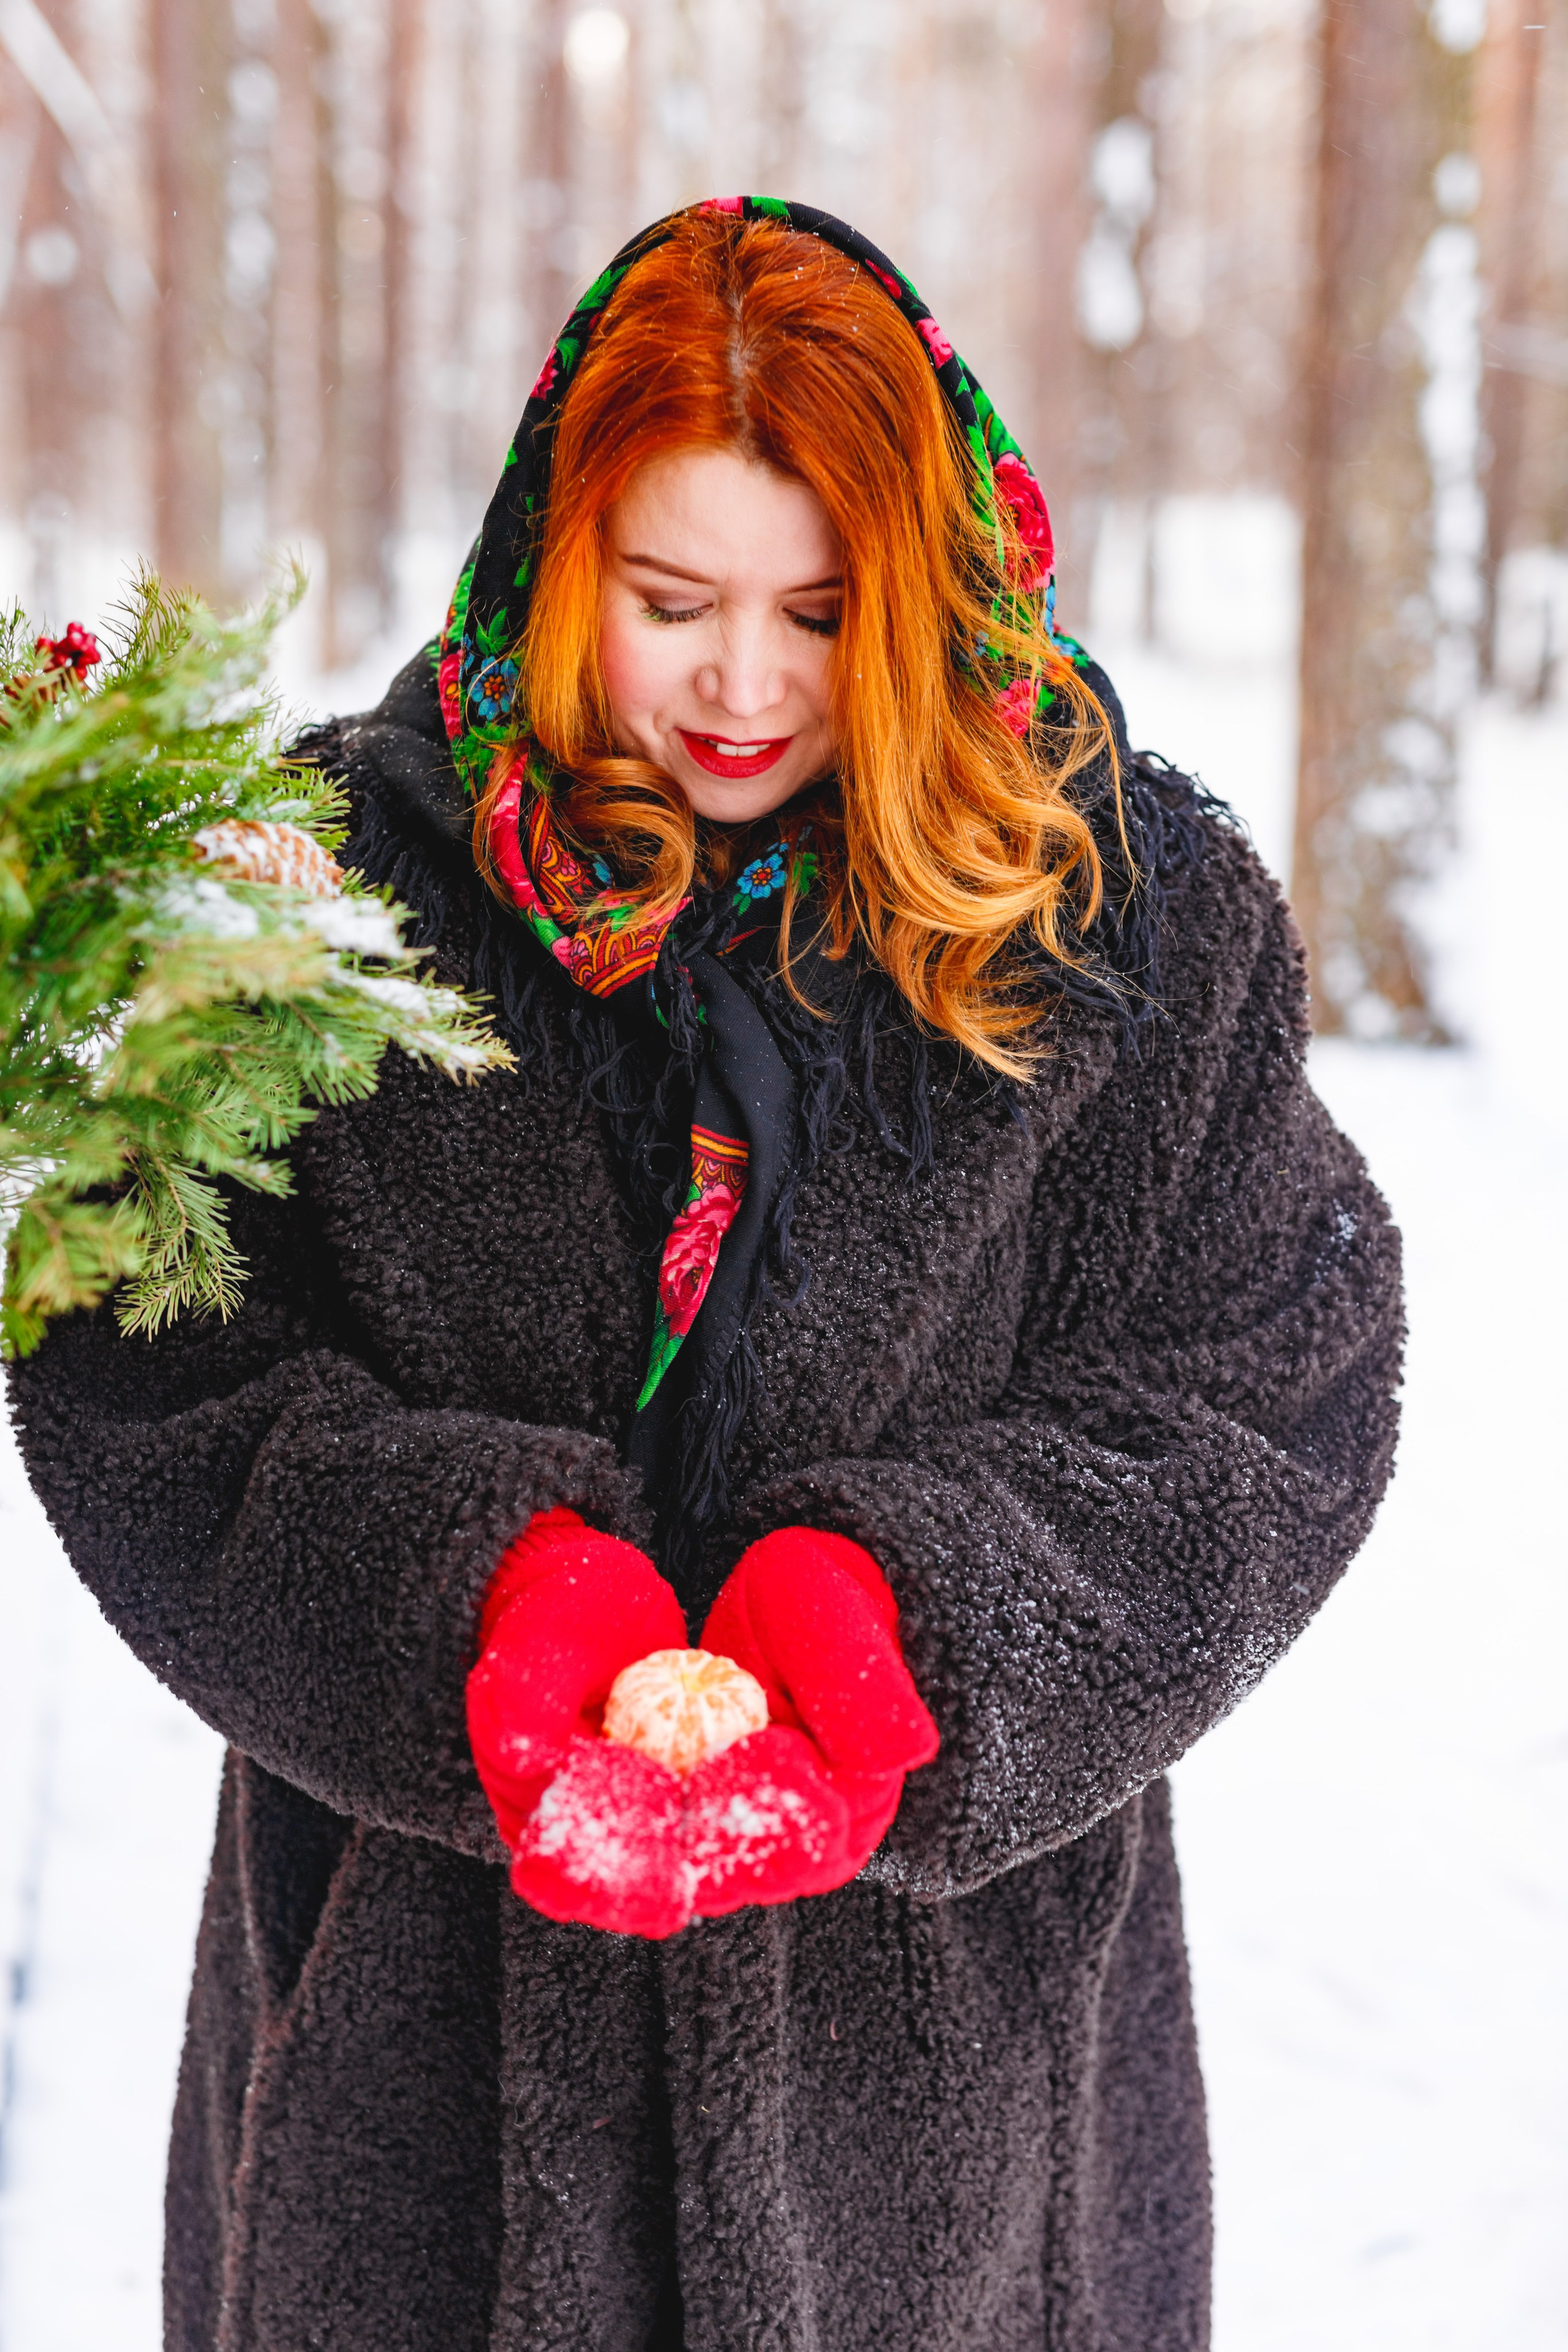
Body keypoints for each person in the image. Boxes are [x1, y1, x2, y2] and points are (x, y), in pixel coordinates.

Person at [11, 200, 1403, 2352]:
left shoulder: (1127, 916)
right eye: (673, 603)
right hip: (419, 2079)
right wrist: (468, 1600)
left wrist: (910, 1631)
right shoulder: (321, 885)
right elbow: (148, 1343)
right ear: (565, 563)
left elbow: (1273, 1370)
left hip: (959, 2111)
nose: (744, 686)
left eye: (821, 612)